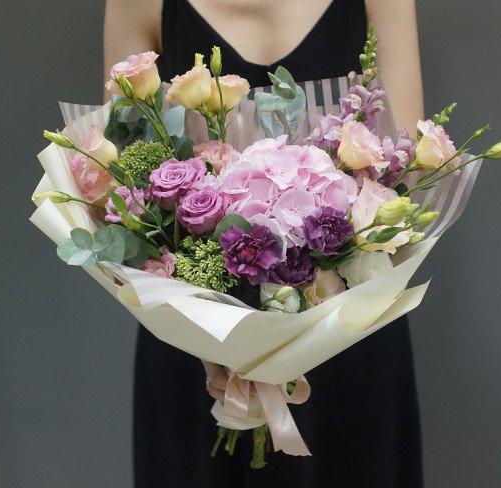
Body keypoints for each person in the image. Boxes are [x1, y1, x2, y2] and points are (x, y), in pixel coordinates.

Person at [104, 1, 424, 486]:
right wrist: (220, 333)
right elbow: (126, 185)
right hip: (196, 343)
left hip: (347, 333)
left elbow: (404, 174)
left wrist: (304, 314)